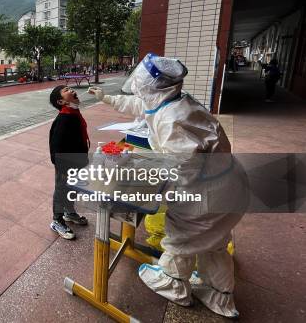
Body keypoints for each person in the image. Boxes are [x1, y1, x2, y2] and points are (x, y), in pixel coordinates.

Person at [89, 53, 247, 318]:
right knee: (214, 244)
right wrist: (106, 97)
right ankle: (220, 296)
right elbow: (139, 105)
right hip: (229, 185)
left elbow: (182, 167)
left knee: (181, 239)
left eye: (139, 83)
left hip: (208, 194)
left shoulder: (172, 119)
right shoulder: (172, 101)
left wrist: (137, 172)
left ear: (151, 85)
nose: (137, 89)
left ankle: (175, 286)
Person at [48, 85, 90, 240]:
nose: (71, 90)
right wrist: (62, 168)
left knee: (73, 188)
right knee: (61, 190)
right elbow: (56, 147)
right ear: (61, 101)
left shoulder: (74, 113)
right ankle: (56, 220)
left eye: (70, 88)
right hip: (65, 165)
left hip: (77, 160)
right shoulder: (63, 120)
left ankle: (69, 212)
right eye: (66, 90)